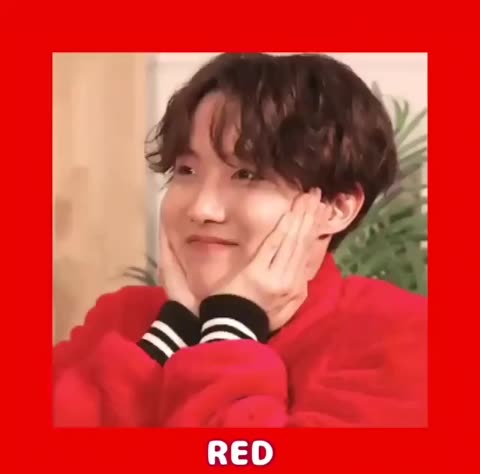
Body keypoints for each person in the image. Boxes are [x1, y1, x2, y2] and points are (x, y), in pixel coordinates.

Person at [53, 53, 427, 428]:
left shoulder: (404, 338)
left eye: (247, 175)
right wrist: (171, 334)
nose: (201, 208)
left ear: (336, 207)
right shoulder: (123, 317)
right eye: (186, 170)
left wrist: (230, 327)